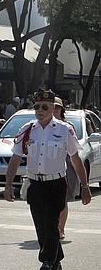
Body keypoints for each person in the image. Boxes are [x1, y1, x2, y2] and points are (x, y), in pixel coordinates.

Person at [4, 90, 91, 270]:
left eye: (45, 107)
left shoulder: (64, 130)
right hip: (35, 184)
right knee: (41, 228)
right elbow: (16, 157)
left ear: (53, 109)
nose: (40, 110)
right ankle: (56, 260)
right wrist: (9, 184)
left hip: (56, 184)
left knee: (51, 225)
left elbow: (75, 159)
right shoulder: (27, 129)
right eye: (37, 107)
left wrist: (85, 186)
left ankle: (46, 263)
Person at [52, 98, 78, 240]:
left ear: (62, 109)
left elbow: (74, 151)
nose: (55, 110)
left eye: (58, 107)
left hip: (66, 166)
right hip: (49, 168)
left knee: (63, 201)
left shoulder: (68, 126)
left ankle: (60, 228)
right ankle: (51, 227)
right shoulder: (42, 126)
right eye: (53, 107)